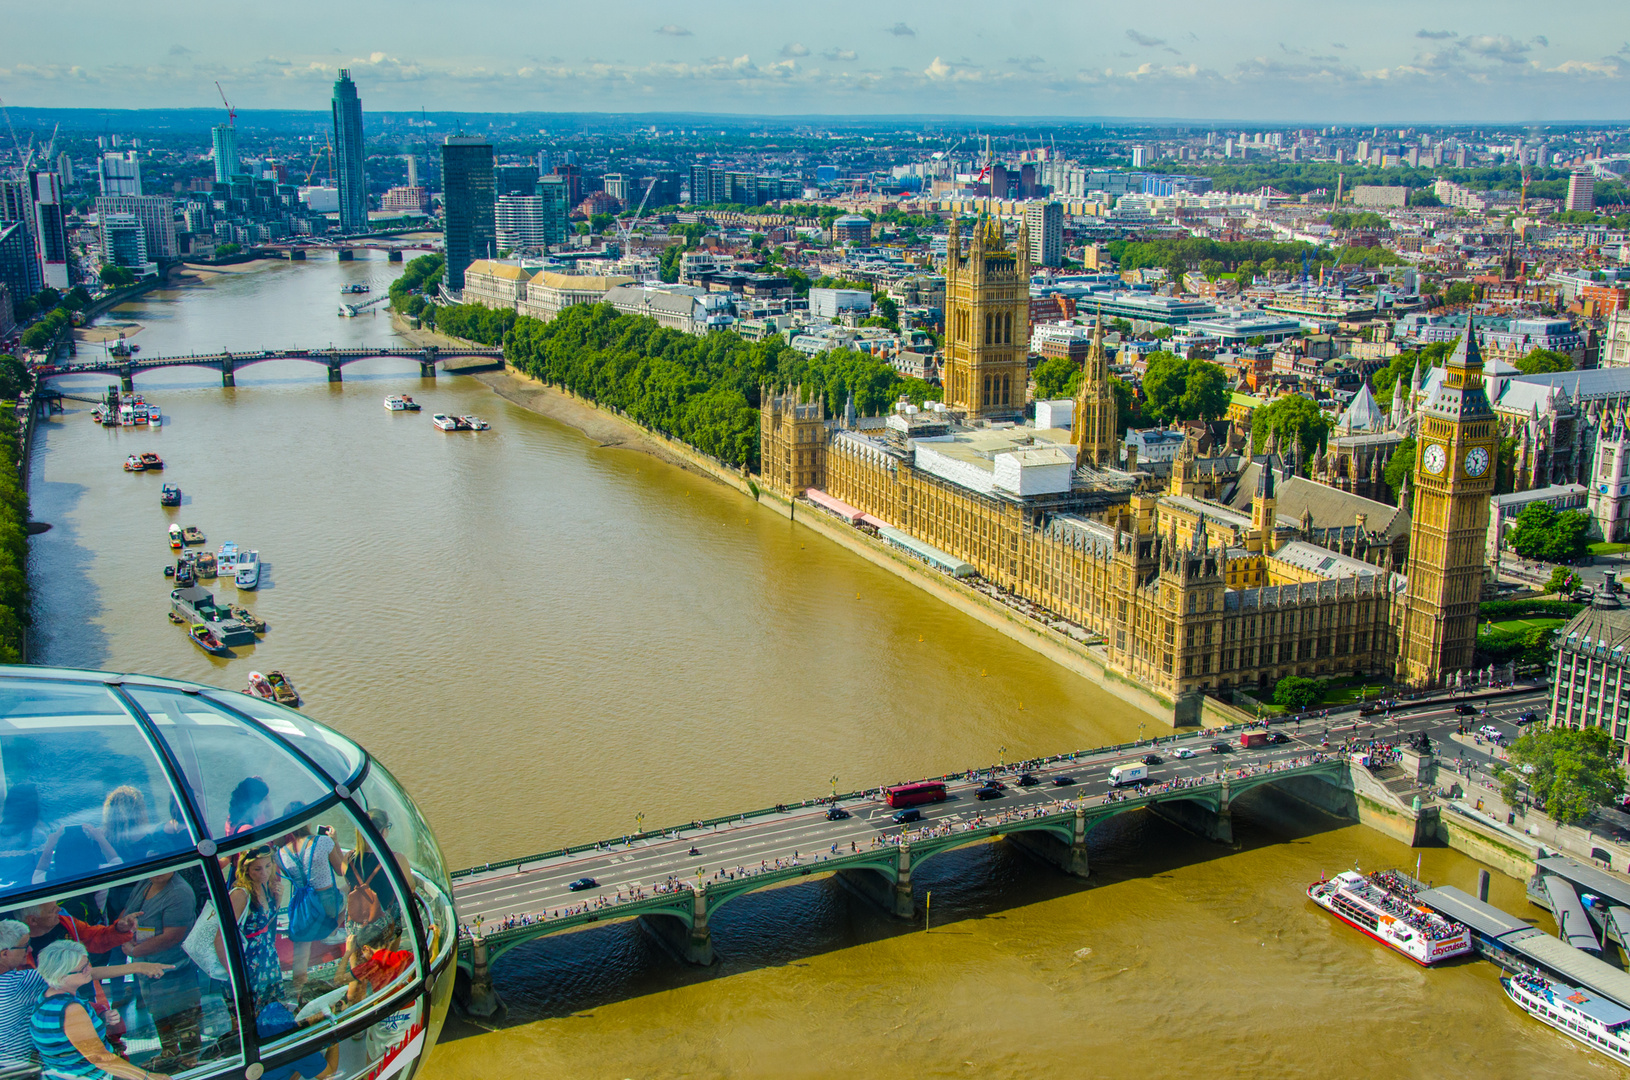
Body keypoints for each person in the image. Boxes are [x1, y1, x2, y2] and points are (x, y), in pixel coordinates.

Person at [0, 919, 168, 1072]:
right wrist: (137, 967)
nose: (30, 949)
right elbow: (81, 973)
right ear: (4, 953)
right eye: (25, 945)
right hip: (20, 1068)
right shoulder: (16, 984)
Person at [30, 939, 169, 1080]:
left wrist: (140, 967)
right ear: (61, 975)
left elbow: (93, 973)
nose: (89, 970)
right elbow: (101, 1058)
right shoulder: (71, 1011)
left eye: (87, 964)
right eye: (83, 969)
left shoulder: (50, 993)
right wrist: (148, 1077)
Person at [116, 872, 199, 1062]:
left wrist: (134, 951)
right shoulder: (146, 881)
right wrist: (120, 928)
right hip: (148, 970)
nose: (158, 872)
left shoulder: (180, 892)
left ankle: (190, 1059)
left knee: (183, 1016)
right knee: (158, 1012)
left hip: (174, 969)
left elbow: (173, 936)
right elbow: (127, 910)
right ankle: (169, 1051)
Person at [275, 810, 347, 994]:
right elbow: (341, 870)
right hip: (328, 903)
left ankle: (298, 991)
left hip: (303, 906)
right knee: (349, 891)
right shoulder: (322, 842)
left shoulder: (280, 854)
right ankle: (331, 931)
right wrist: (335, 841)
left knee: (301, 951)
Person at [227, 847, 283, 1008]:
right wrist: (234, 973)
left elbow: (265, 922)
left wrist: (277, 900)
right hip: (249, 960)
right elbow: (221, 936)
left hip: (267, 956)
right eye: (257, 869)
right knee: (251, 1012)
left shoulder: (266, 885)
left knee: (271, 1010)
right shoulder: (240, 894)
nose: (264, 872)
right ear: (247, 870)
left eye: (267, 866)